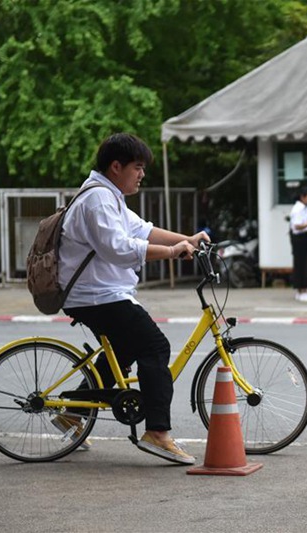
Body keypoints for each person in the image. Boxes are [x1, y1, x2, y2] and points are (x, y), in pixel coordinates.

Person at [57, 133, 209, 465]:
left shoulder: (108, 196)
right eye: (137, 167)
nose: (142, 174)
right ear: (116, 167)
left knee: (124, 349)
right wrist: (172, 251)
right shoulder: (98, 200)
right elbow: (118, 249)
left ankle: (72, 415)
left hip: (102, 294)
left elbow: (142, 231)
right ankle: (157, 432)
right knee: (155, 347)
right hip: (96, 296)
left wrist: (188, 239)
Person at [289, 186, 307, 302]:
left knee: (303, 264)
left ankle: (301, 290)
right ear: (302, 197)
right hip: (300, 238)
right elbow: (297, 225)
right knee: (302, 265)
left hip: (302, 238)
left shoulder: (303, 207)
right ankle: (302, 290)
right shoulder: (298, 208)